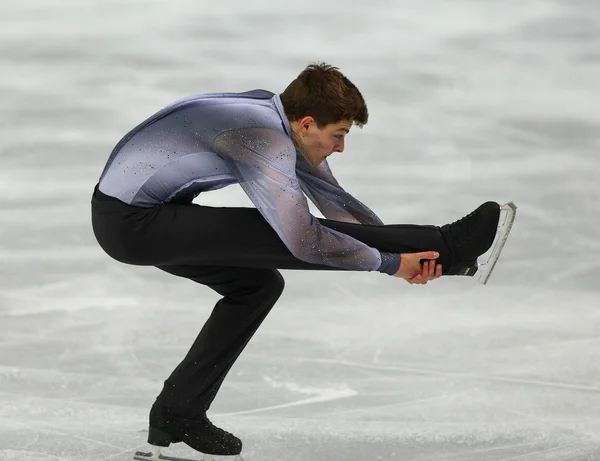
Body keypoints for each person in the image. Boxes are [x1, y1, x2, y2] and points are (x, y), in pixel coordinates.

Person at [91, 62, 500, 459]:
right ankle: (450, 241)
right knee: (277, 233)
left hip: (149, 214)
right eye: (338, 134)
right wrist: (392, 262)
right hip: (133, 224)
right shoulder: (262, 137)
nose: (341, 147)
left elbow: (338, 206)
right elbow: (302, 239)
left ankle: (177, 413)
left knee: (256, 287)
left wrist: (404, 256)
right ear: (307, 124)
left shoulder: (277, 118)